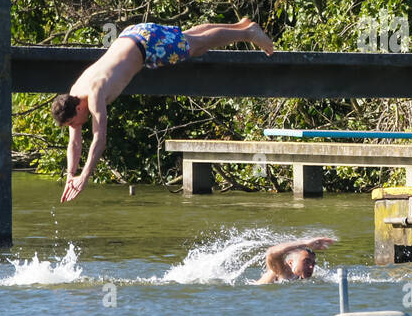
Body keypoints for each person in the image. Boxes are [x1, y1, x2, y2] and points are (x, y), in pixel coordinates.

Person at [52, 19, 274, 202]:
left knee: (197, 45)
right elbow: (75, 142)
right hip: (134, 34)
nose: (76, 127)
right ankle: (240, 26)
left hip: (147, 45)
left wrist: (86, 175)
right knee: (190, 38)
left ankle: (248, 33)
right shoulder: (74, 92)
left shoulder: (94, 92)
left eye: (73, 123)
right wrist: (71, 174)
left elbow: (99, 139)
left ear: (79, 108)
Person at [252, 238, 336, 283]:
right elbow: (271, 252)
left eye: (313, 264)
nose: (311, 267)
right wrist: (305, 243)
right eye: (306, 262)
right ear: (290, 263)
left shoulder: (298, 278)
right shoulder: (282, 271)